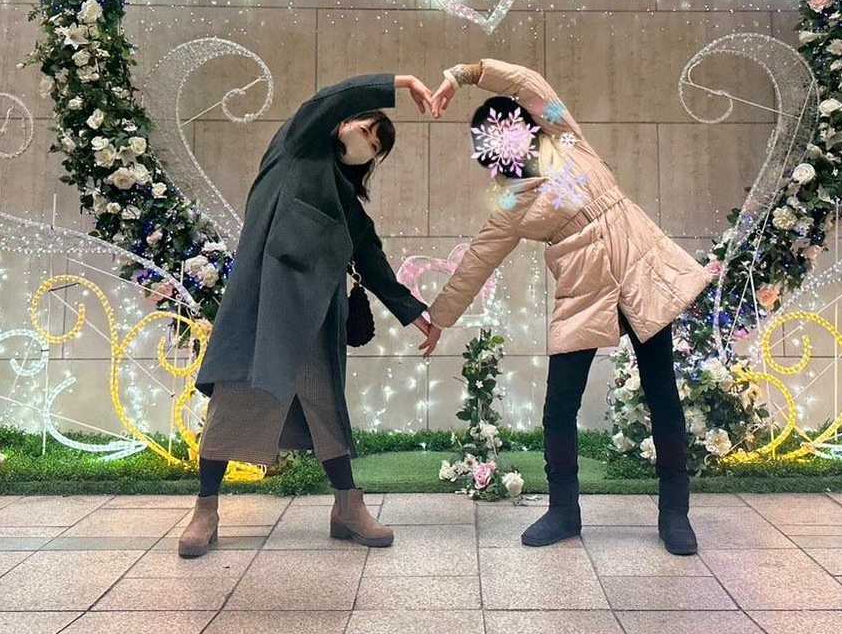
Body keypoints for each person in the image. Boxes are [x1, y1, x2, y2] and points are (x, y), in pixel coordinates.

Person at [420, 59, 712, 555]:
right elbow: (476, 261)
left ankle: (675, 512)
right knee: (559, 405)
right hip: (585, 294)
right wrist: (439, 318)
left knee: (662, 393)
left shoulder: (566, 136)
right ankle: (563, 511)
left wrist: (465, 74)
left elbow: (527, 82)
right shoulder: (512, 205)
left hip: (642, 273)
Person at [177, 73, 439, 557]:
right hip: (261, 309)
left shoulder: (345, 199)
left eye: (376, 145)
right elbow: (325, 100)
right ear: (343, 121)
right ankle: (205, 510)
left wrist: (412, 312)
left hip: (316, 318)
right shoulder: (297, 146)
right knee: (234, 403)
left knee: (326, 409)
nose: (366, 141)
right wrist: (400, 83)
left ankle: (348, 507)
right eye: (366, 128)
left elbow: (371, 258)